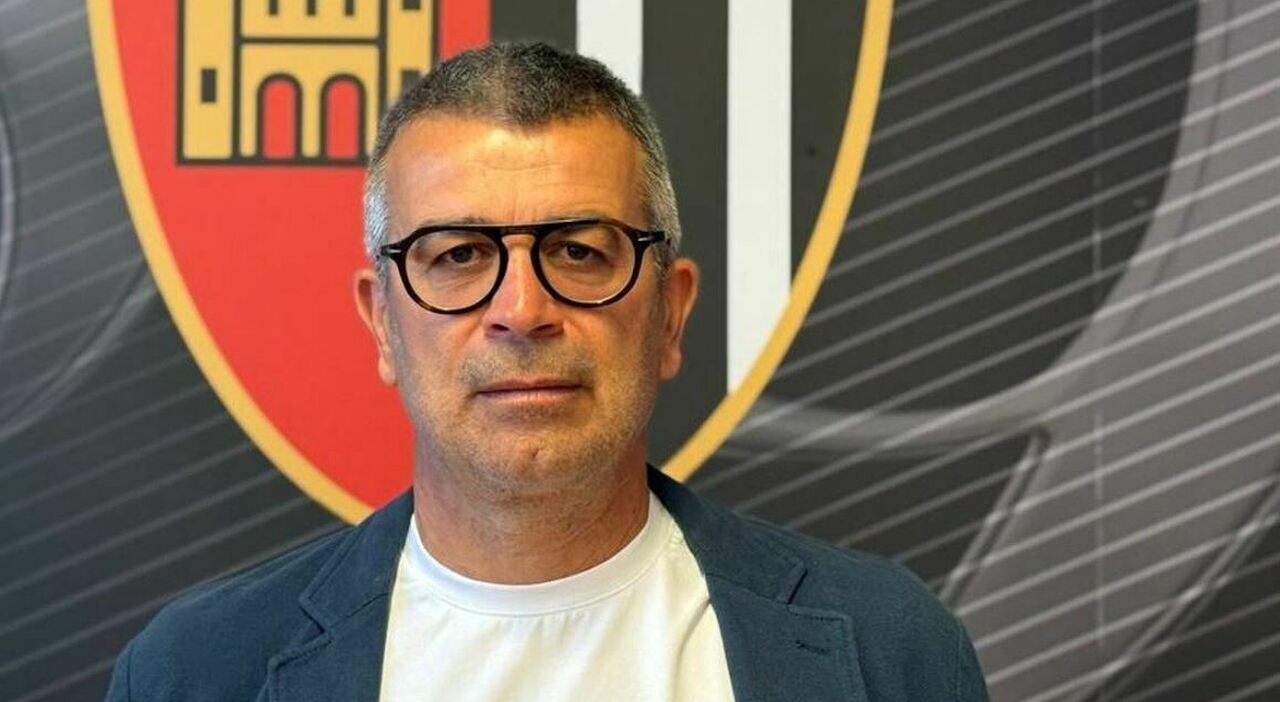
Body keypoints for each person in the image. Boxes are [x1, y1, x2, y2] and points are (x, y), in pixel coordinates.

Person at [105, 42, 988, 701]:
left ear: (670, 312)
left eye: (578, 250)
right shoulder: (195, 672)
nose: (522, 310)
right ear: (383, 323)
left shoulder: (892, 653)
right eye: (457, 255)